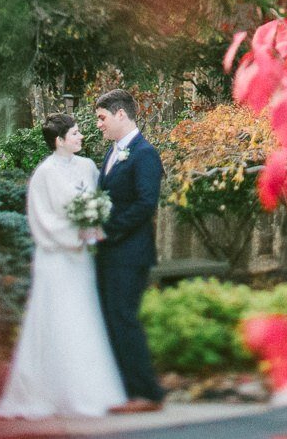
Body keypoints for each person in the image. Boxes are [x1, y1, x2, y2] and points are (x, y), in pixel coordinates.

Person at [0, 113, 128, 419]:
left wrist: (92, 228)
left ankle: (90, 390)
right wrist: (71, 236)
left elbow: (97, 203)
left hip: (80, 258)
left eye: (79, 132)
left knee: (83, 317)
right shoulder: (44, 174)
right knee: (57, 318)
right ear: (59, 140)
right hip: (55, 257)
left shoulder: (88, 167)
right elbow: (42, 218)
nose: (81, 137)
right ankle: (47, 392)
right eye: (75, 133)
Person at [93, 88, 166, 412]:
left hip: (130, 253)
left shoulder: (144, 153)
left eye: (102, 118)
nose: (99, 125)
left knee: (124, 319)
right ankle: (126, 389)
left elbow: (146, 203)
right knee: (112, 319)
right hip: (110, 253)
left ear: (121, 114)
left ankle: (145, 394)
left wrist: (107, 229)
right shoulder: (111, 154)